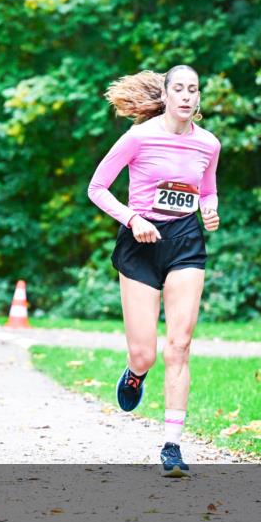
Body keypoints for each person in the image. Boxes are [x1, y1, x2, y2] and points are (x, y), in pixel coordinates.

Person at [87, 65, 221, 477]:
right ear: (165, 94)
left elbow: (208, 187)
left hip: (184, 243)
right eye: (178, 88)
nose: (185, 96)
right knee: (145, 353)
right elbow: (97, 188)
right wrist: (132, 219)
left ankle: (172, 445)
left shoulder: (209, 144)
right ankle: (135, 373)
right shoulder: (139, 137)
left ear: (199, 98)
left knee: (179, 345)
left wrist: (210, 207)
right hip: (141, 245)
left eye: (192, 90)